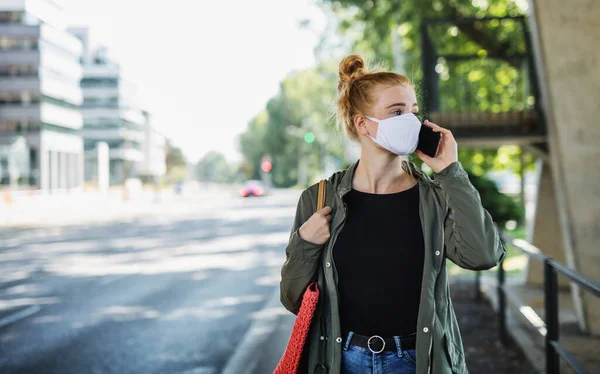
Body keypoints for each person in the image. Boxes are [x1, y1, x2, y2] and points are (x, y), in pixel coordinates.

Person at [279, 54, 506, 374]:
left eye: (413, 112)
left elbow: (483, 255)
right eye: (396, 112)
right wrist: (306, 242)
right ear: (362, 123)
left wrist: (451, 173)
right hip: (343, 361)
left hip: (418, 361)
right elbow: (292, 299)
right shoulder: (318, 199)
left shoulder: (436, 195)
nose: (410, 121)